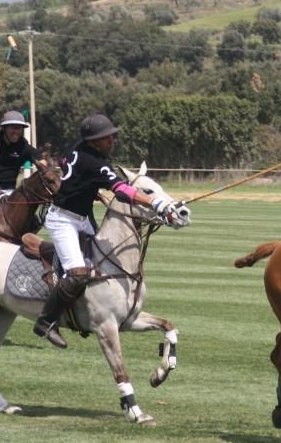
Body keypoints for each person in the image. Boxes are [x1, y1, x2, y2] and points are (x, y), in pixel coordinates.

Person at [33, 114, 184, 348]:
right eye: (106, 138)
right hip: (63, 220)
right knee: (78, 273)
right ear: (93, 141)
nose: (112, 141)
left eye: (112, 136)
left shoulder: (78, 148)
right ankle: (46, 321)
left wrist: (86, 189)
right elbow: (122, 190)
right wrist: (155, 203)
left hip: (82, 217)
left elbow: (66, 166)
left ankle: (91, 310)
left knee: (101, 263)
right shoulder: (94, 163)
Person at [0, 110, 39, 204]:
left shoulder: (24, 146)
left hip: (9, 189)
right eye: (13, 128)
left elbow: (41, 160)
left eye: (19, 128)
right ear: (4, 128)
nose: (16, 131)